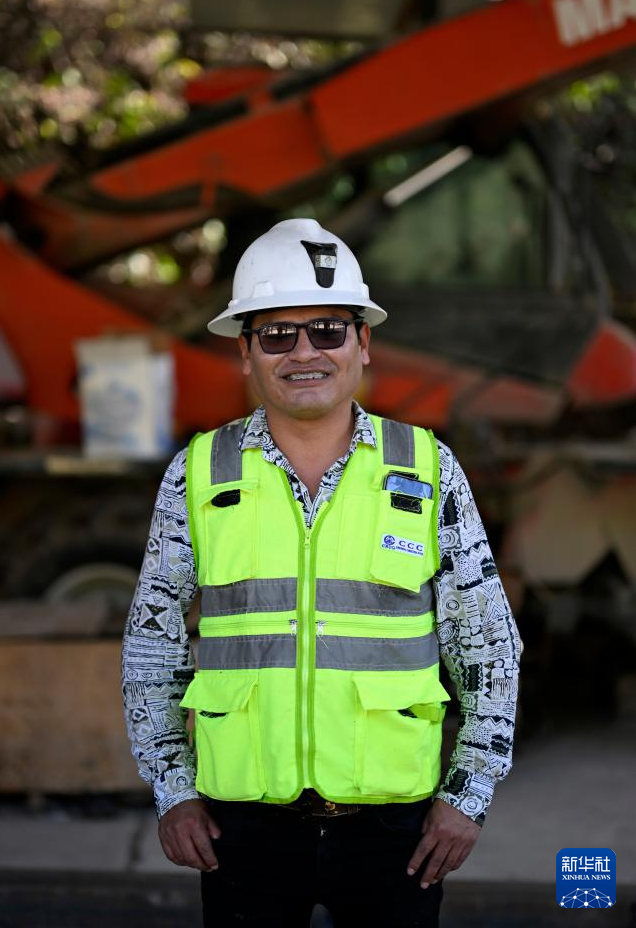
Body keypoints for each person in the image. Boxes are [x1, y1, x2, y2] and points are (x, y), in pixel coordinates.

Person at [122, 218, 520, 927]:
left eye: (328, 330)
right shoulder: (198, 473)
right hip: (239, 830)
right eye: (277, 334)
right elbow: (151, 646)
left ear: (363, 343)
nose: (303, 351)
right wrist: (172, 787)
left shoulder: (427, 470)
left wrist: (468, 796)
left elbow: (489, 647)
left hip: (396, 832)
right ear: (245, 352)